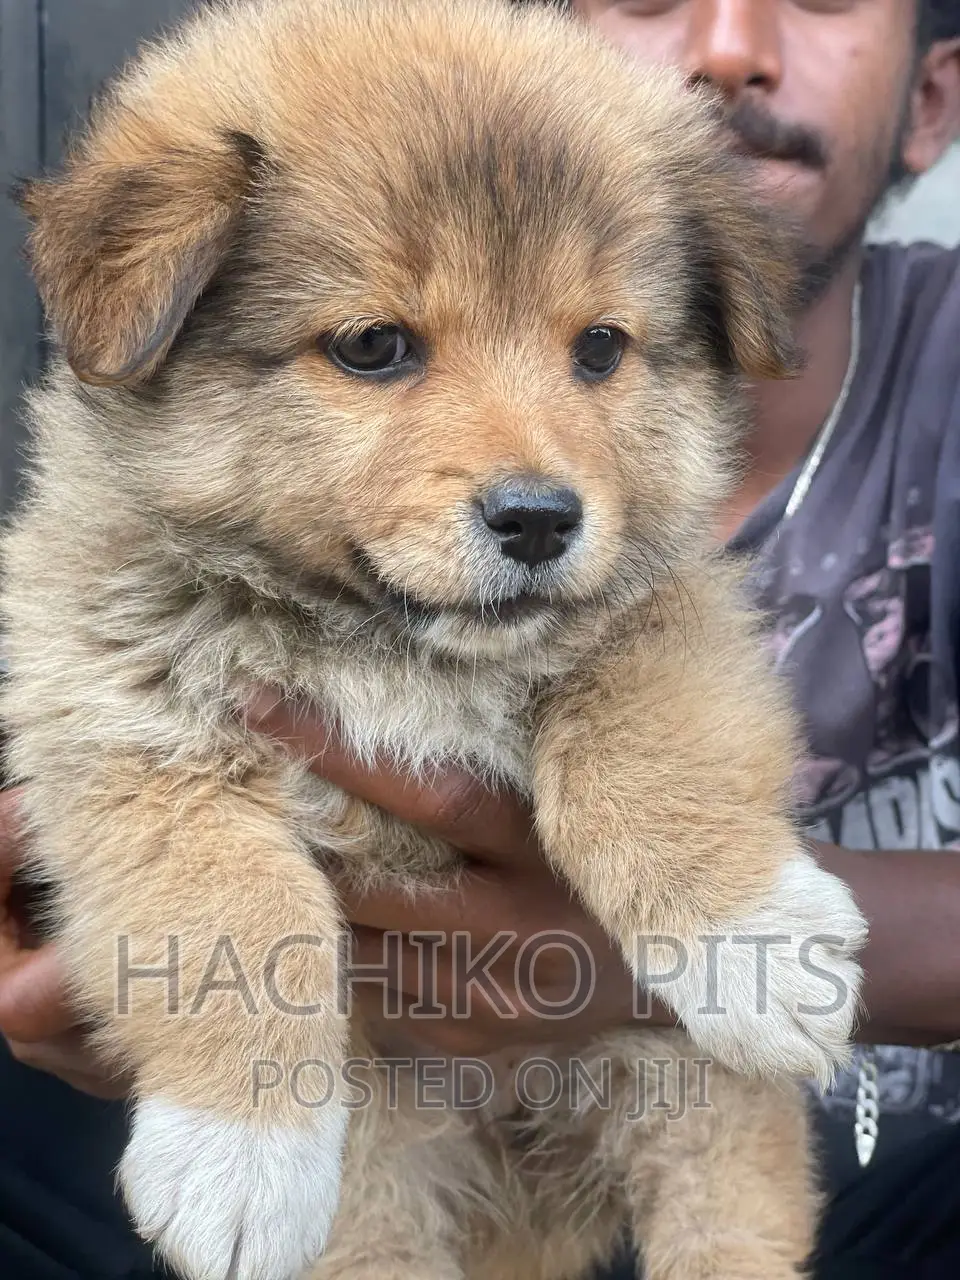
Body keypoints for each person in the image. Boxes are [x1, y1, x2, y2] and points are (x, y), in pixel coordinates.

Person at [2, 0, 960, 1276]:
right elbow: (138, 786)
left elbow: (659, 666)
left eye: (599, 346)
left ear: (937, 98)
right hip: (372, 1123)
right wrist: (223, 1032)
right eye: (376, 344)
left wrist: (669, 907)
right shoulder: (132, 565)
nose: (534, 473)